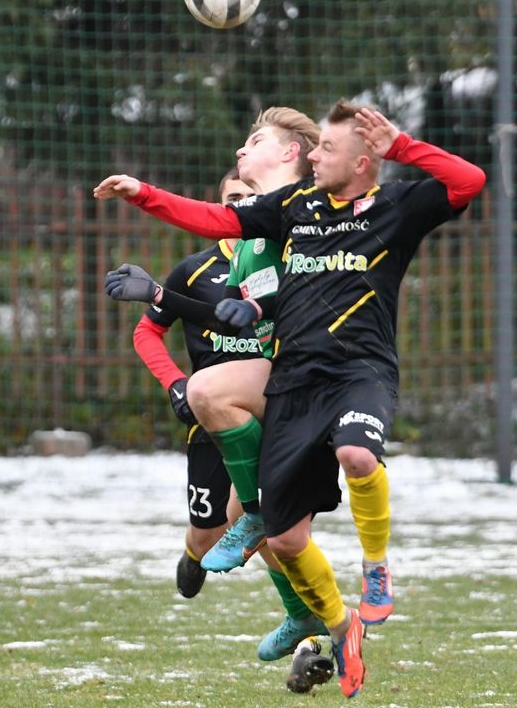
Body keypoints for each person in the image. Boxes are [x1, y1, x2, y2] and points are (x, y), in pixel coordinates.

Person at [94, 100, 487, 698]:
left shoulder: (391, 206)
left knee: (356, 456)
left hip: (355, 373)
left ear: (353, 159)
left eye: (326, 150)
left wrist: (401, 145)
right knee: (279, 538)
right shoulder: (289, 209)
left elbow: (468, 181)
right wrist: (144, 194)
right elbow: (219, 231)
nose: (313, 157)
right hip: (291, 381)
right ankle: (332, 623)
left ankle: (373, 570)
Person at [107, 108, 333, 667]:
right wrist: (162, 296)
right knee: (268, 533)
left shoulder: (308, 212)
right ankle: (309, 619)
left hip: (310, 384)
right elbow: (235, 316)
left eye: (253, 141)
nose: (240, 151)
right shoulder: (246, 251)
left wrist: (143, 198)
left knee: (268, 522)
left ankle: (342, 626)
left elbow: (297, 299)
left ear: (288, 156)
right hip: (258, 391)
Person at [117, 169, 253, 599]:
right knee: (210, 533)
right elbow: (146, 332)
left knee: (272, 522)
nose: (245, 202)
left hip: (272, 409)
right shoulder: (194, 272)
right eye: (235, 195)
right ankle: (193, 554)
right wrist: (176, 383)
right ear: (220, 206)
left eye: (255, 195)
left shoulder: (288, 265)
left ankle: (309, 630)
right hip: (209, 415)